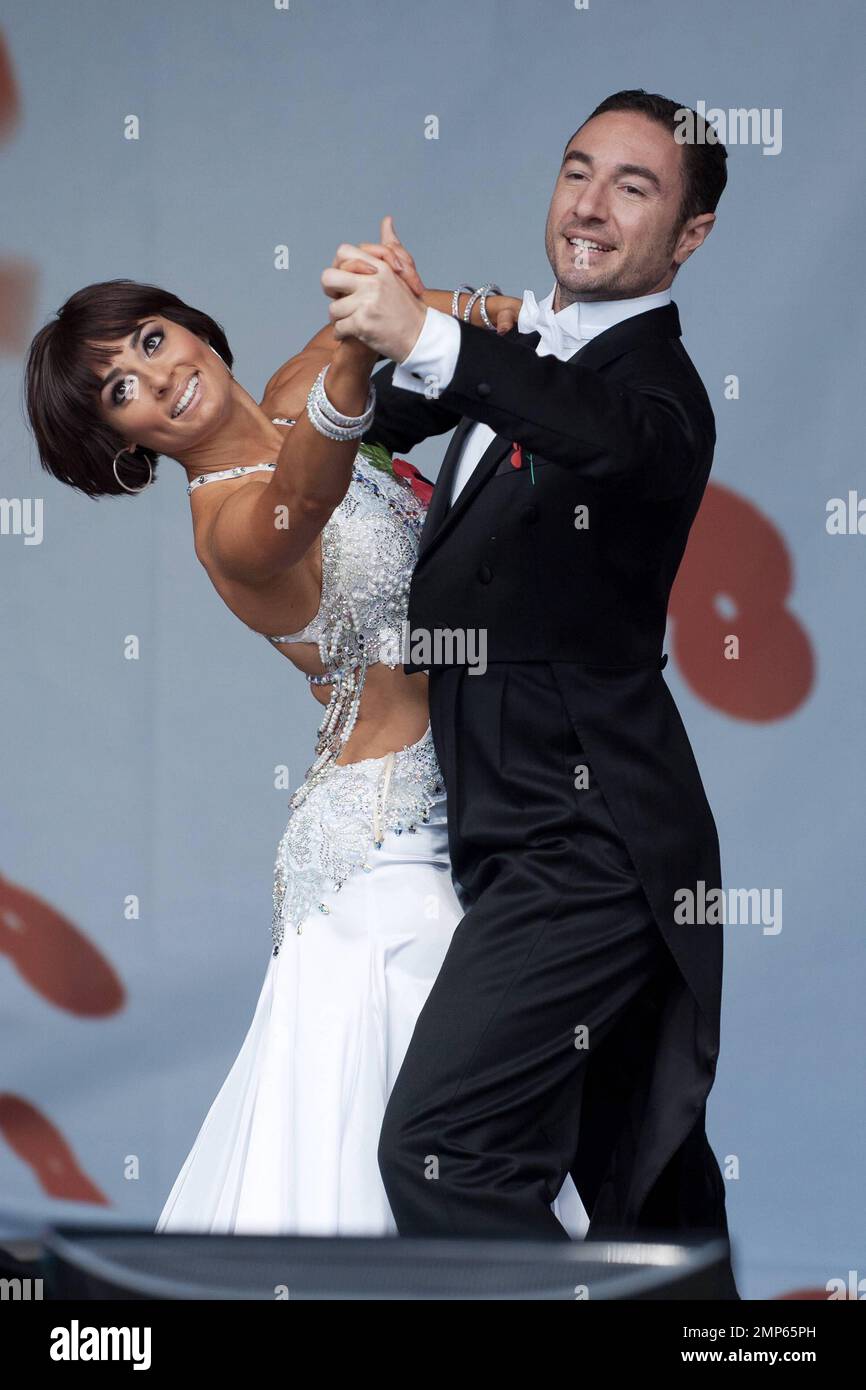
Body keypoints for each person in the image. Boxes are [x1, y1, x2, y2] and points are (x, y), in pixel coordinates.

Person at [23, 270, 587, 1236]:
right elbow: (308, 488)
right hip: (387, 856)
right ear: (122, 449)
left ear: (190, 325)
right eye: (119, 392)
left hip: (485, 808)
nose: (155, 381)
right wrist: (365, 351)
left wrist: (503, 312)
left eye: (151, 342)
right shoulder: (229, 533)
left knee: (493, 1139)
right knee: (424, 1160)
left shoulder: (296, 393)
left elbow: (415, 314)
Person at [328, 89, 740, 1296]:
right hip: (505, 841)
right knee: (647, 1186)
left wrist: (440, 336)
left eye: (634, 186)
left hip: (595, 847)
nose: (589, 205)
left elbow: (597, 437)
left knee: (446, 1152)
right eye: (577, 170)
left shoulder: (655, 397)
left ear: (691, 235)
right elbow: (351, 433)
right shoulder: (508, 361)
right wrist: (387, 341)